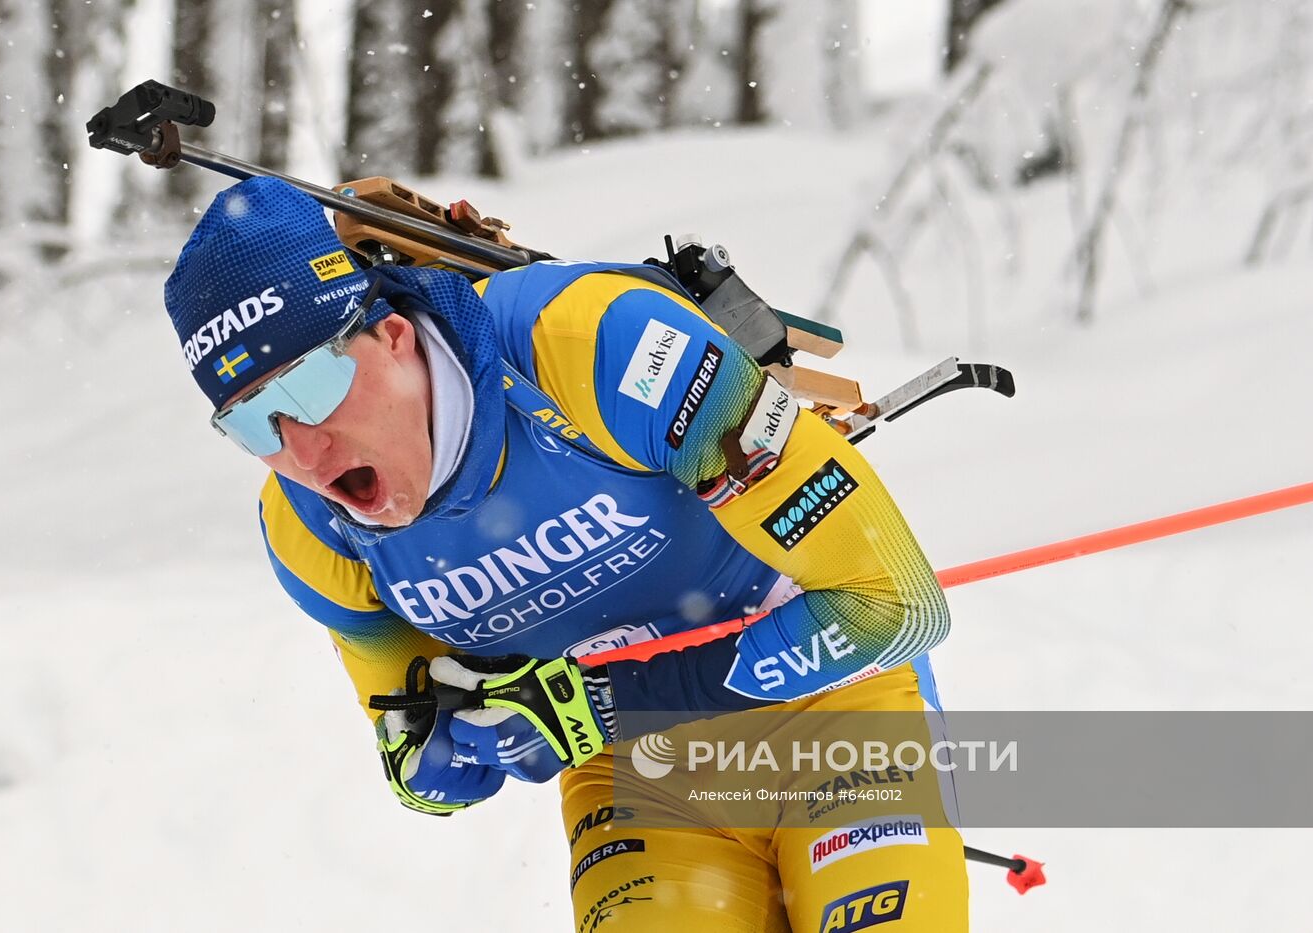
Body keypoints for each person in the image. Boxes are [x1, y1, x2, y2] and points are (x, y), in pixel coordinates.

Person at [163, 176, 968, 932]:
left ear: (395, 336)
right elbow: (418, 762)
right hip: (644, 785)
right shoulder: (308, 531)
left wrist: (604, 702)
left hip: (836, 713)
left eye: (306, 389)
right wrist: (456, 740)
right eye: (251, 421)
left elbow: (896, 605)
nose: (301, 451)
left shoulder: (604, 348)